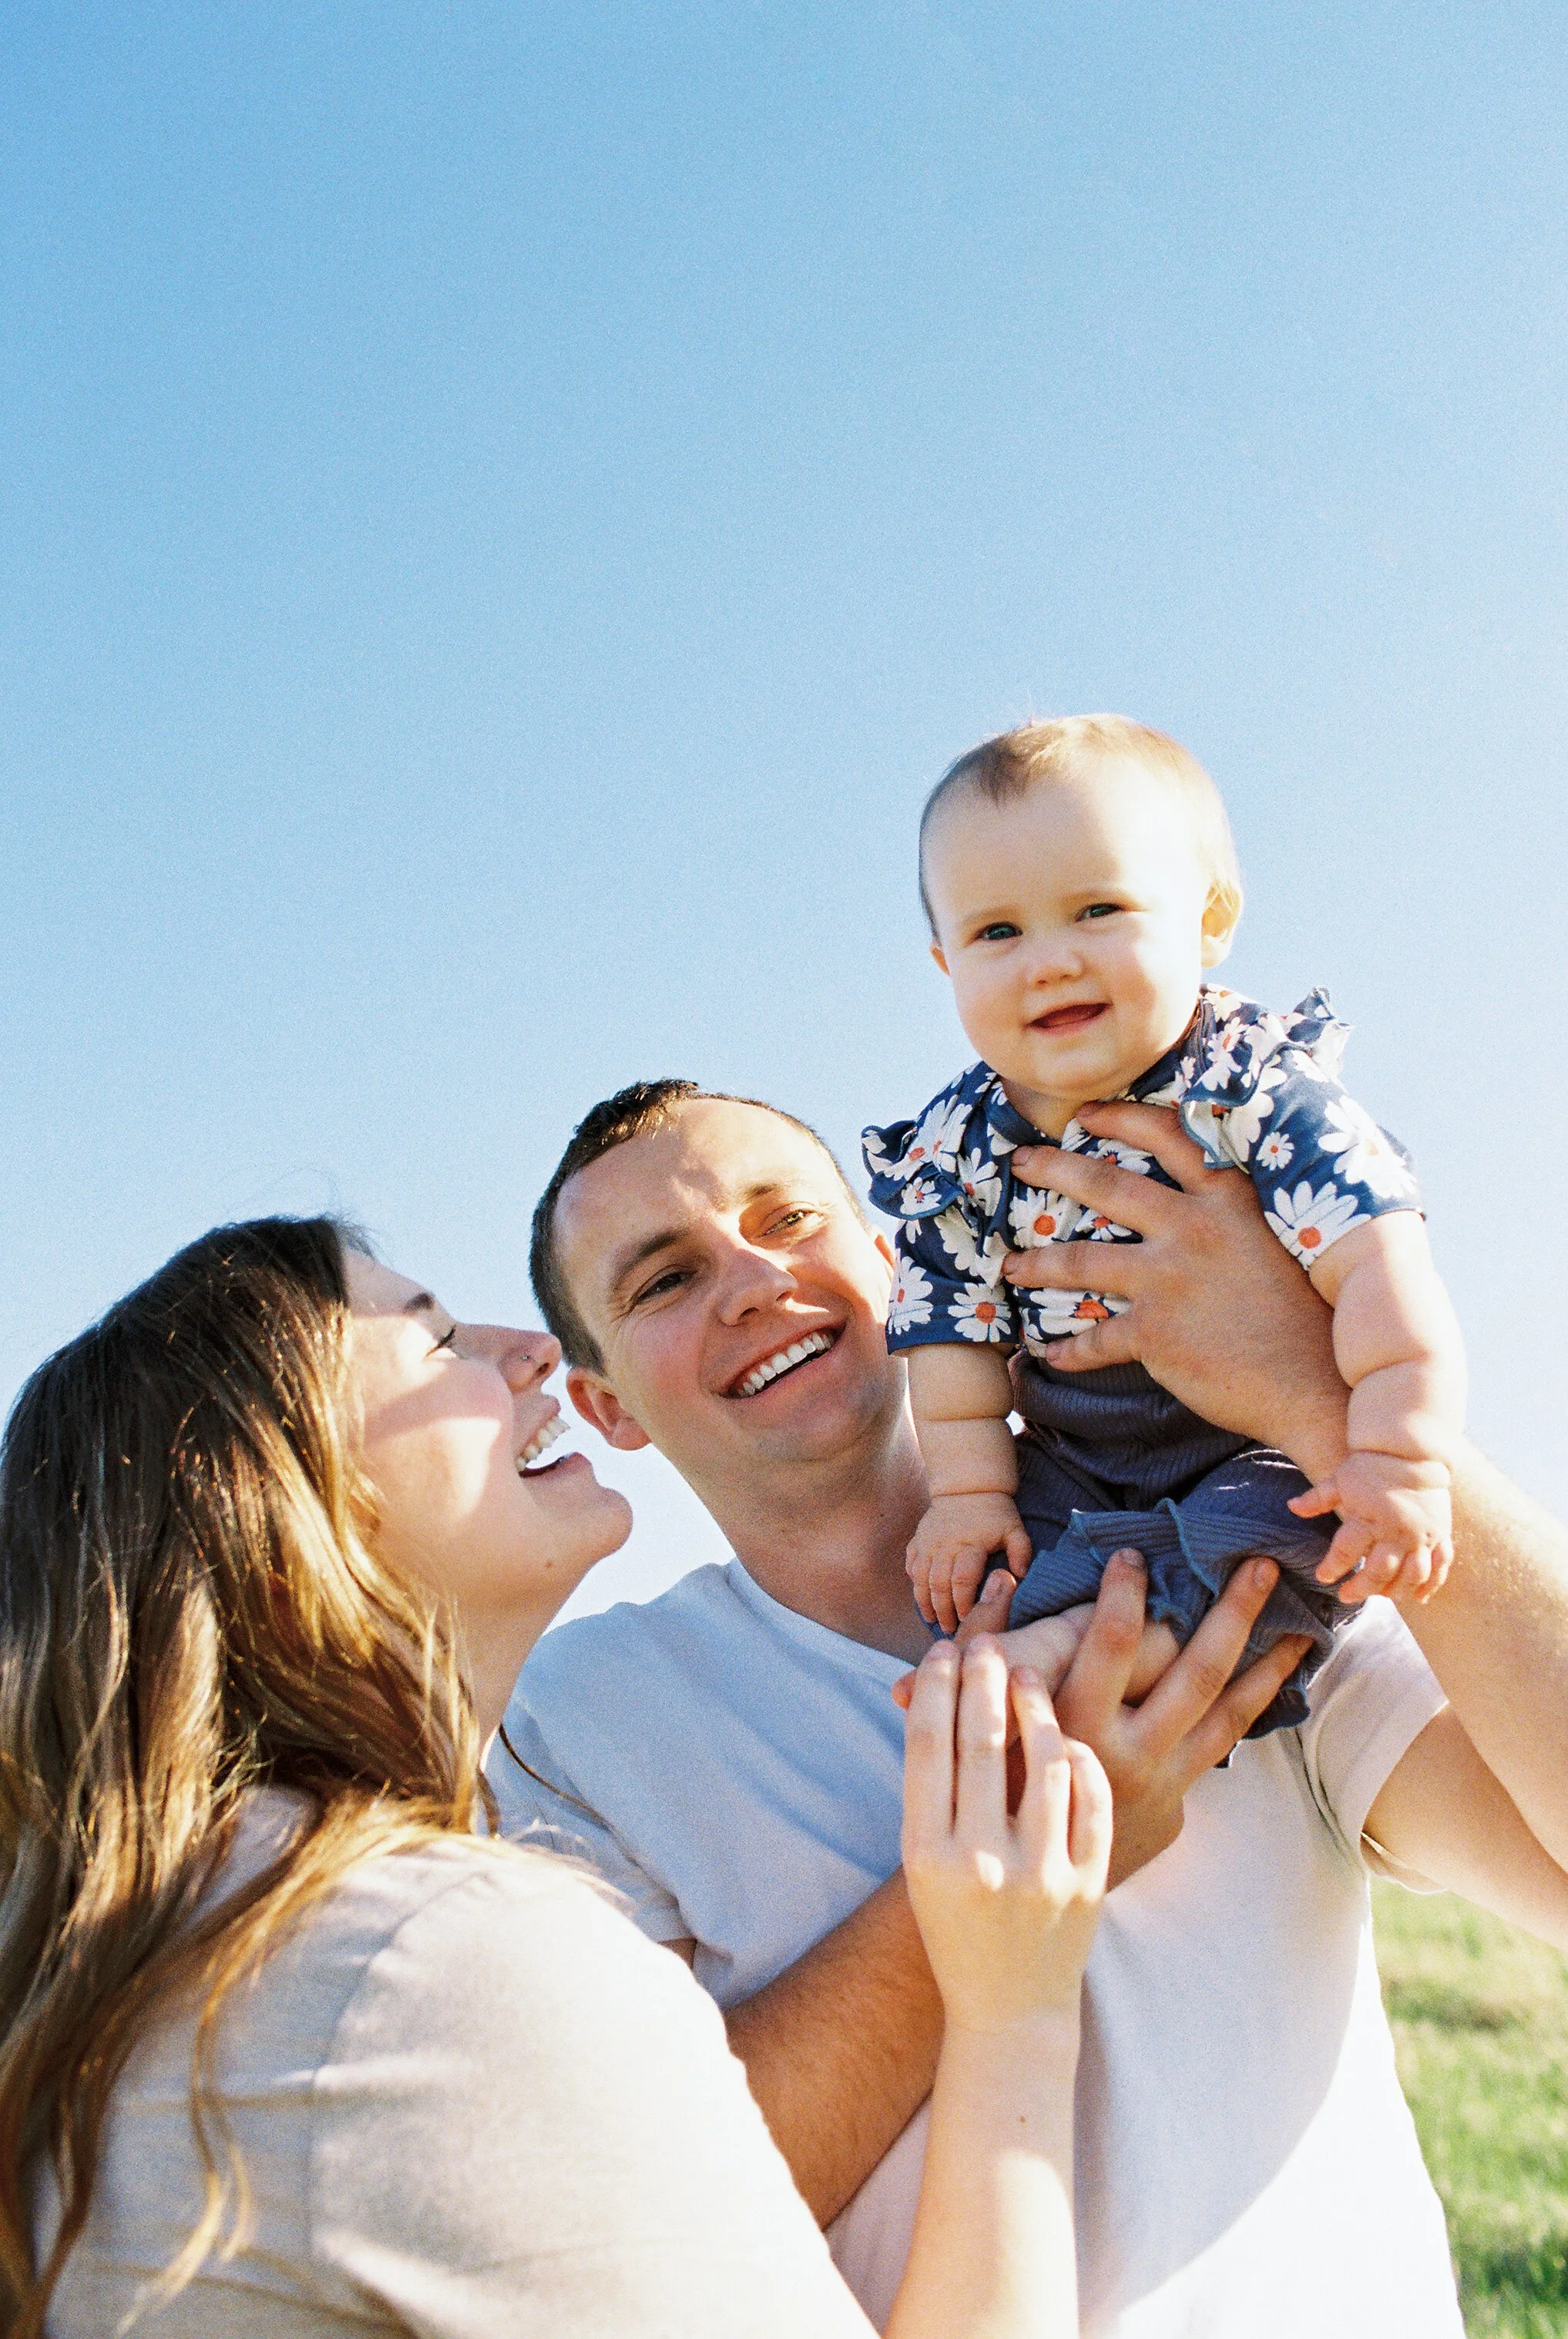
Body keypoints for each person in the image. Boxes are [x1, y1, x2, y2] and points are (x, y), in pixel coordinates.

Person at [497, 1077, 1568, 2337]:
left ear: (900, 1264)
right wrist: (1056, 1841)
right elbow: (653, 2221)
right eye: (662, 1279)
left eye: (786, 1220)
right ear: (608, 1404)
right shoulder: (581, 1719)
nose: (748, 1279)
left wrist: (1324, 1411)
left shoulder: (1217, 1547)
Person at [0, 1213, 1113, 2338]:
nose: (529, 1350)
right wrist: (1009, 2004)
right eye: (436, 1342)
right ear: (284, 1505)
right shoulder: (431, 1959)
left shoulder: (130, 1965)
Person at [861, 717, 1465, 1709]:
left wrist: (1398, 1453)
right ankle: (1024, 1657)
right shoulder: (958, 1153)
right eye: (997, 932)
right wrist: (968, 1492)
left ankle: (1088, 1658)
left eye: (1097, 908)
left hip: (1248, 1441)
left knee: (1277, 1530)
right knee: (1005, 1550)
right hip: (1073, 1449)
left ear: (1209, 919)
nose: (1047, 960)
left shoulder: (1251, 1091)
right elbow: (951, 1334)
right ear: (945, 965)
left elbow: (1379, 1268)